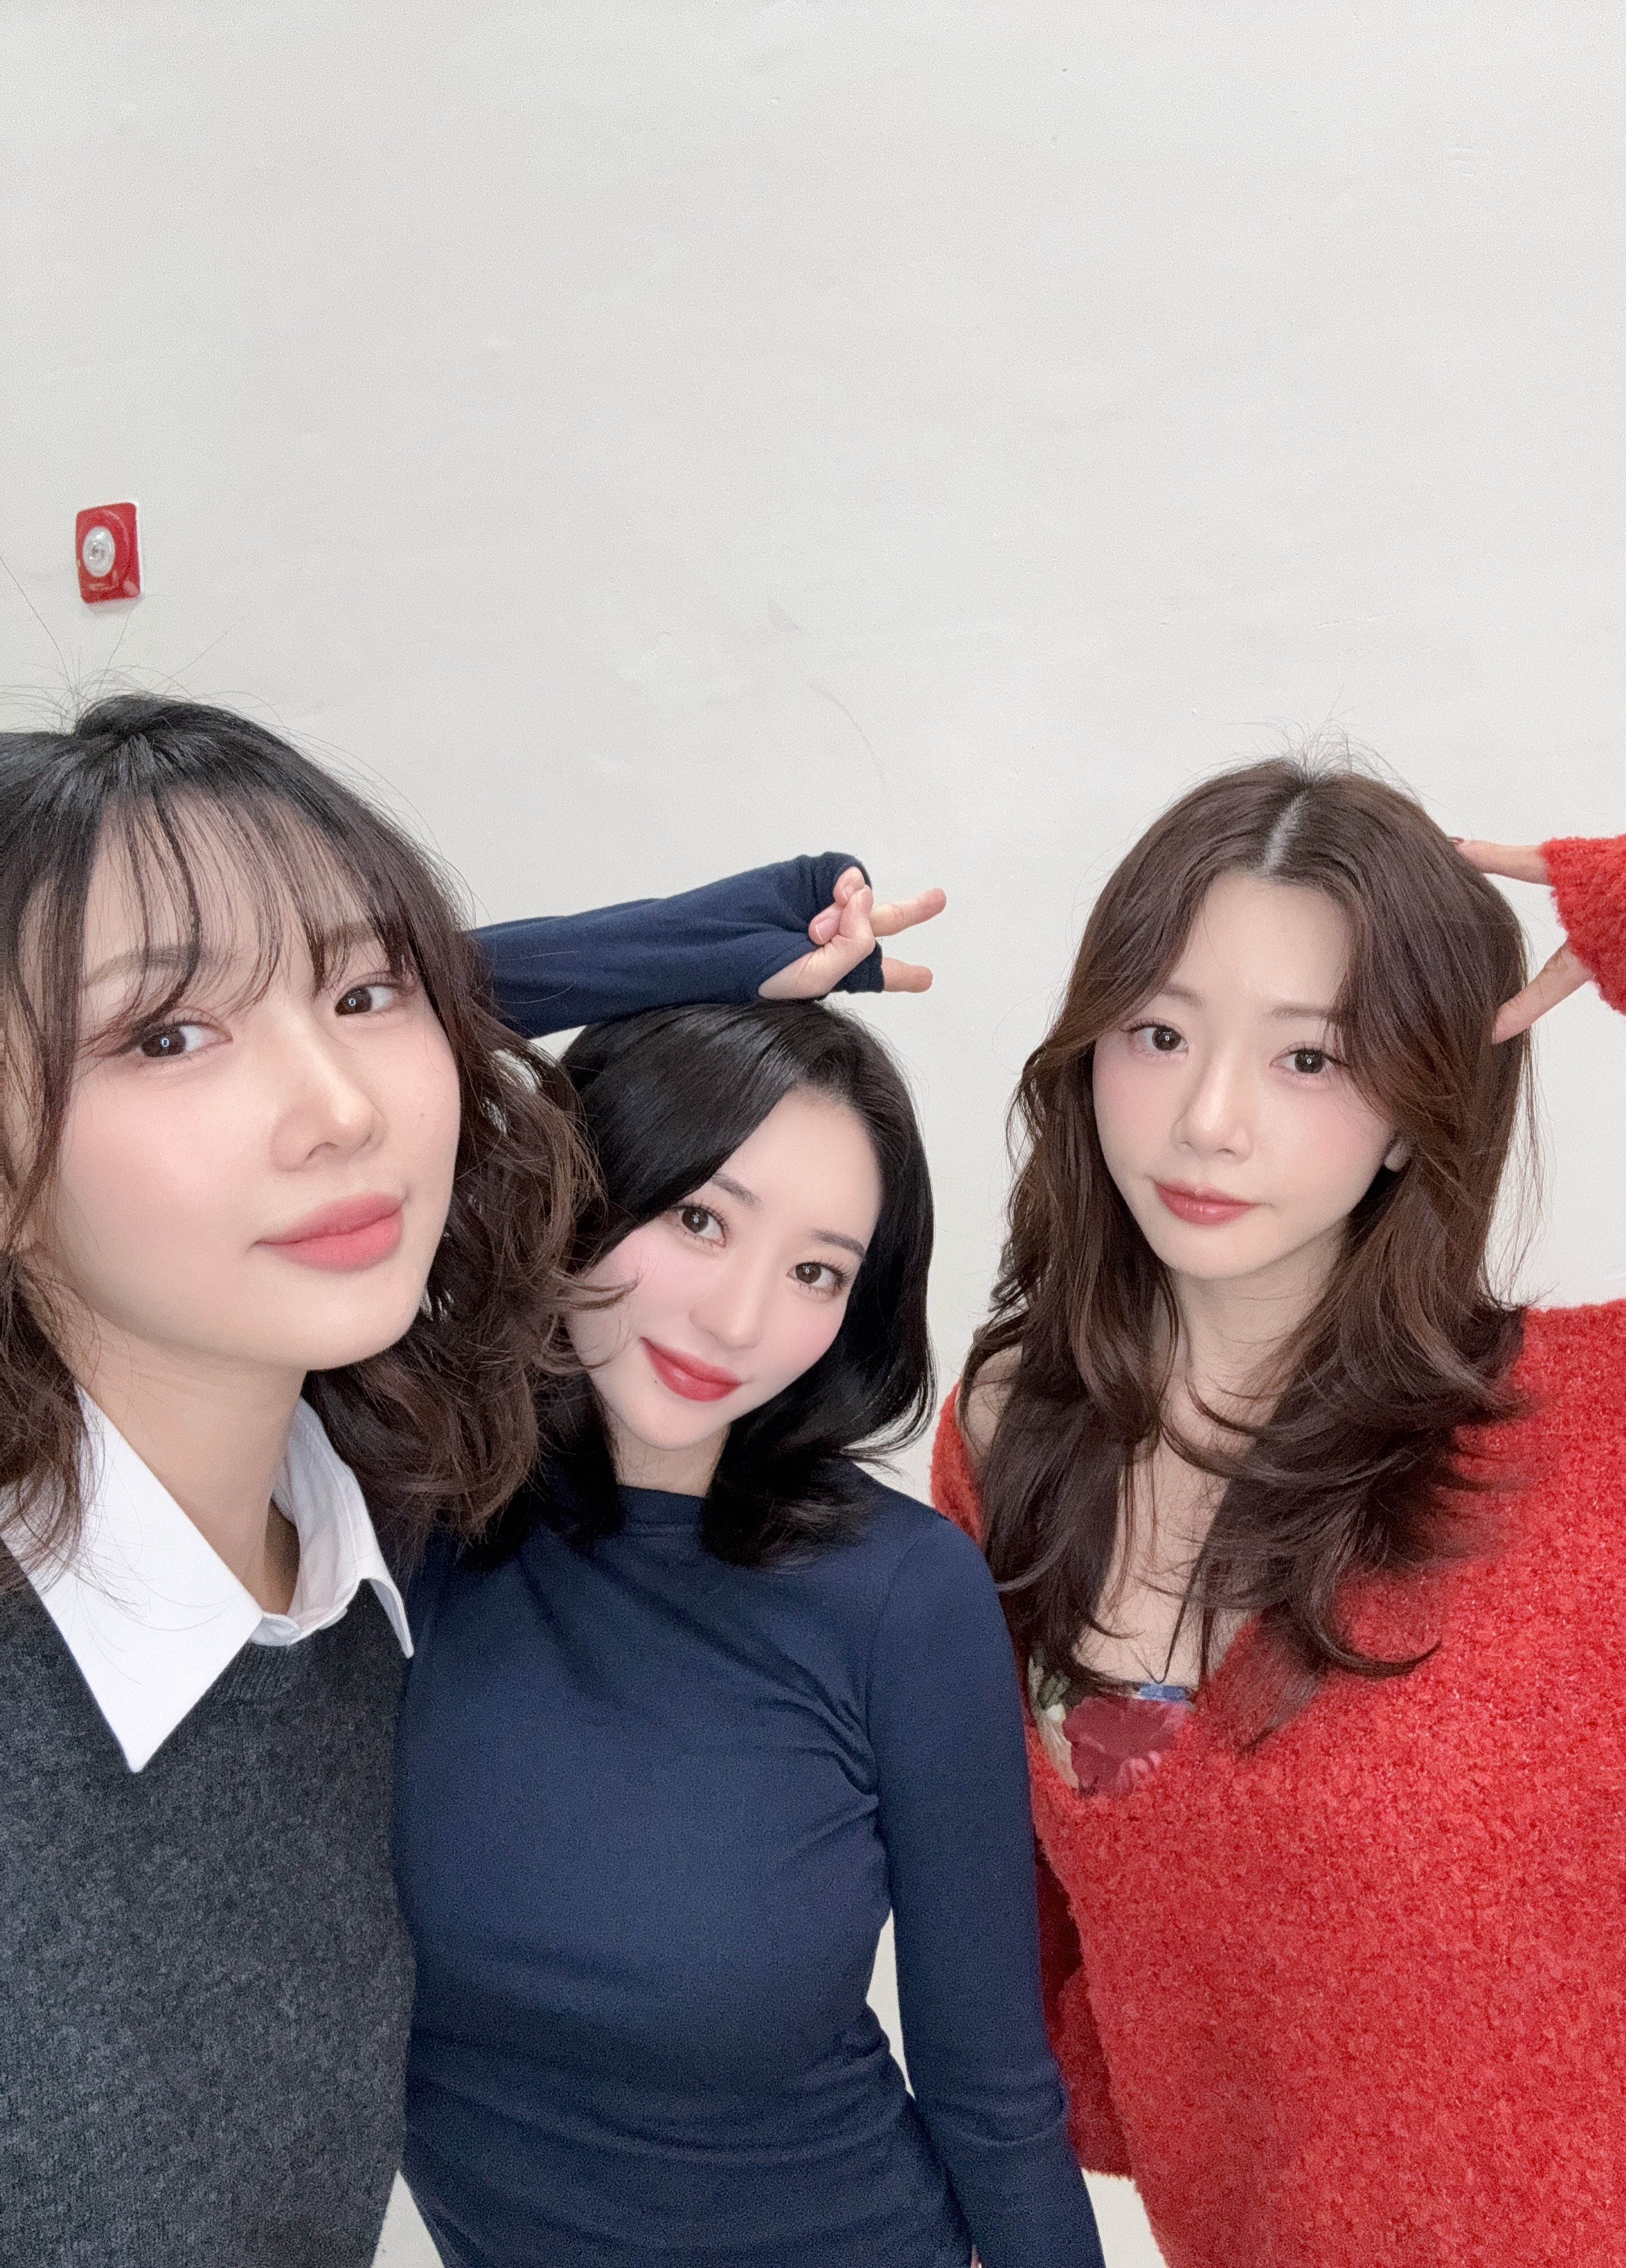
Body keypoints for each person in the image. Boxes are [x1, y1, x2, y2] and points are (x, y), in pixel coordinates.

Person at [0, 695, 941, 2268]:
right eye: (167, 1033)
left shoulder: (373, 1538)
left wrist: (712, 950)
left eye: (367, 990)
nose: (344, 1106)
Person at [930, 766, 1626, 2267]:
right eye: (1161, 1034)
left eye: (1310, 1057)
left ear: (1418, 1111)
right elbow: (1027, 1966)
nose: (1208, 1121)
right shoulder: (1009, 1440)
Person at [395, 1000, 1106, 2268]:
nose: (737, 1320)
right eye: (700, 1219)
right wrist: (682, 945)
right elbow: (286, 1029)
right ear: (580, 1184)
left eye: (815, 1271)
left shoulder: (901, 1596)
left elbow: (992, 2089)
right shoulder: (396, 1530)